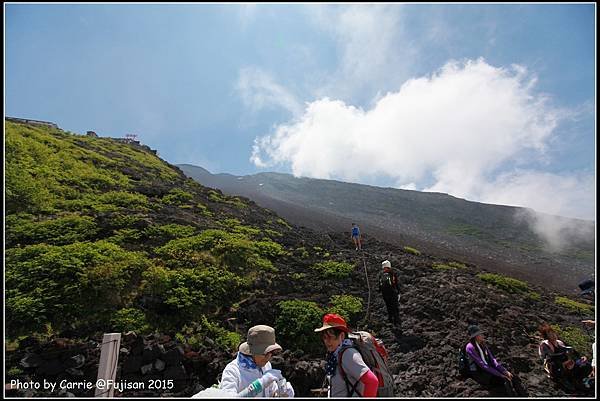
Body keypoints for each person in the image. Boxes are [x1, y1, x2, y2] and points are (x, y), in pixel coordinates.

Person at [219, 325, 295, 397]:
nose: (268, 358)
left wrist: (282, 394)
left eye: (272, 352)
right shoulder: (232, 371)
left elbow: (272, 393)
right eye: (265, 353)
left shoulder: (266, 365)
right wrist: (259, 384)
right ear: (251, 351)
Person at [314, 313, 378, 397]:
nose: (327, 341)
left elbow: (372, 381)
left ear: (342, 336)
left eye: (331, 337)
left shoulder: (348, 354)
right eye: (325, 337)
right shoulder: (336, 354)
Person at [465, 325, 527, 396]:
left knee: (511, 375)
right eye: (480, 334)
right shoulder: (470, 347)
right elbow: (482, 365)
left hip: (488, 368)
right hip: (480, 372)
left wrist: (504, 371)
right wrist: (500, 375)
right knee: (503, 380)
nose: (482, 335)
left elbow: (492, 360)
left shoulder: (482, 344)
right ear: (475, 337)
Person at [538, 322, 592, 392]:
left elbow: (572, 351)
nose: (553, 335)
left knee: (586, 365)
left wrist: (581, 357)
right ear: (546, 336)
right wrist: (565, 361)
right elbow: (550, 356)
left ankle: (577, 379)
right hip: (557, 366)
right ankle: (563, 380)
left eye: (553, 333)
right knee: (555, 364)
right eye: (550, 334)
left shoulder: (560, 342)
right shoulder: (544, 344)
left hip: (568, 363)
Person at [378, 260, 400, 326]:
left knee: (388, 306)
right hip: (392, 293)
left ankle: (390, 320)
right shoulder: (392, 273)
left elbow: (379, 284)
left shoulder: (381, 274)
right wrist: (399, 291)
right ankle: (396, 321)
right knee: (395, 307)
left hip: (384, 294)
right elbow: (396, 283)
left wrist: (379, 291)